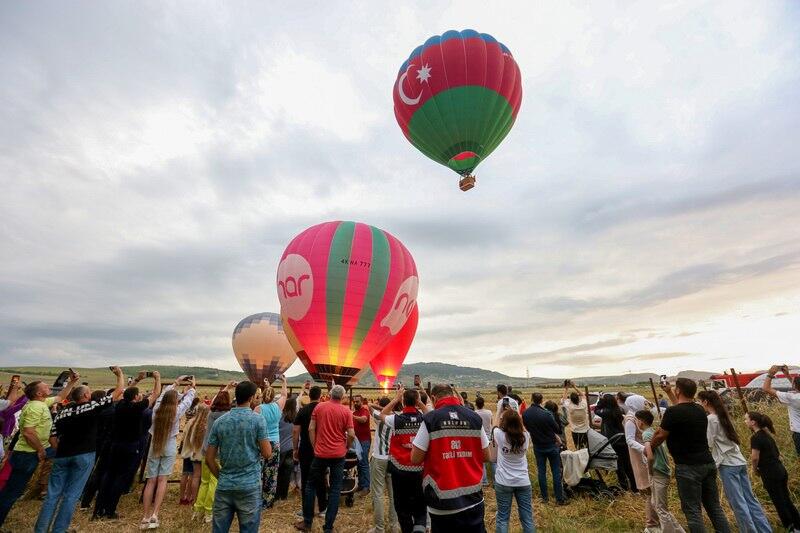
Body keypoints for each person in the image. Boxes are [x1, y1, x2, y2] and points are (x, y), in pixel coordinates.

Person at [34, 367, 124, 533]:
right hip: (84, 454)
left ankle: (40, 530)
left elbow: (52, 437)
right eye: (88, 392)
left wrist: (60, 450)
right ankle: (59, 530)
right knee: (70, 496)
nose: (90, 394)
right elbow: (118, 392)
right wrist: (119, 374)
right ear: (85, 396)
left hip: (62, 455)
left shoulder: (62, 412)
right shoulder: (91, 407)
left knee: (52, 495)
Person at [648, 378, 731, 533]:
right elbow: (682, 410)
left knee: (693, 511)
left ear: (678, 390)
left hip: (688, 467)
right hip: (707, 463)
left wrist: (649, 447)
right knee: (714, 507)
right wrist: (669, 392)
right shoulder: (699, 409)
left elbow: (660, 435)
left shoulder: (673, 412)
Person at [0, 371, 79, 527]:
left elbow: (60, 397)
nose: (48, 386)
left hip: (32, 451)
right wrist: (40, 450)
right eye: (45, 385)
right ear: (38, 392)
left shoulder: (41, 402)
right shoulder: (35, 407)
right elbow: (29, 432)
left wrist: (71, 382)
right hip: (27, 453)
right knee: (11, 492)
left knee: (13, 491)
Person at [411, 383, 490, 532]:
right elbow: (486, 455)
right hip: (474, 499)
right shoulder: (474, 418)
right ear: (453, 394)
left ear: (433, 398)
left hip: (442, 502)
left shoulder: (430, 419)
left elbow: (415, 458)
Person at [695, 391, 770, 533]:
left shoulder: (711, 419)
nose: (699, 404)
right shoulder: (724, 416)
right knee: (751, 500)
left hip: (727, 464)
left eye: (699, 401)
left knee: (738, 504)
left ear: (705, 402)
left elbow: (709, 443)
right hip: (739, 461)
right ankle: (765, 530)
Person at [94, 371, 162, 520]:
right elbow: (156, 394)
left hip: (115, 445)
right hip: (130, 447)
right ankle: (110, 510)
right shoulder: (138, 409)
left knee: (109, 475)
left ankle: (98, 509)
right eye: (138, 395)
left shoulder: (119, 405)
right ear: (136, 398)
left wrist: (137, 380)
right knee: (120, 478)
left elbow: (125, 393)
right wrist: (157, 378)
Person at [206, 381, 271, 533]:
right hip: (249, 485)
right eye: (257, 396)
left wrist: (221, 476)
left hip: (225, 485)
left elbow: (209, 458)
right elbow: (267, 453)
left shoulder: (220, 422)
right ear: (251, 398)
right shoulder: (258, 420)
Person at [295, 384, 355, 533]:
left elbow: (310, 428)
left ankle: (307, 523)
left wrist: (315, 446)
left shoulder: (319, 408)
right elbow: (352, 434)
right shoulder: (346, 411)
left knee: (310, 485)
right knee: (335, 489)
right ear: (342, 396)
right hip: (338, 455)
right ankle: (328, 527)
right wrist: (346, 447)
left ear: (329, 394)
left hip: (320, 454)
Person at [140, 377, 197, 530]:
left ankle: (145, 517)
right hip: (169, 445)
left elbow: (162, 395)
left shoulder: (156, 409)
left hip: (155, 445)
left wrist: (176, 383)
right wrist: (192, 387)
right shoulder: (177, 412)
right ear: (175, 401)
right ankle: (155, 514)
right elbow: (189, 400)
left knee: (151, 480)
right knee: (162, 480)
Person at [379, 387, 429, 533]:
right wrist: (420, 403)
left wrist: (395, 399)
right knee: (420, 504)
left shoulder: (396, 420)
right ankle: (419, 526)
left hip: (400, 471)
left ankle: (407, 529)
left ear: (403, 401)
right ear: (417, 401)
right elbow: (431, 414)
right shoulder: (424, 419)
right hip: (419, 469)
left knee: (401, 505)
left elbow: (382, 414)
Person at [747, 411, 800, 531]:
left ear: (753, 422)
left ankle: (790, 527)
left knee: (778, 501)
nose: (745, 422)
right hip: (780, 469)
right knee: (786, 498)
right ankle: (797, 523)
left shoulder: (755, 438)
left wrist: (754, 470)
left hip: (769, 472)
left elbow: (755, 457)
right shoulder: (767, 434)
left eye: (746, 419)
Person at [636, 409, 686, 533]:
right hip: (663, 471)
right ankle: (678, 530)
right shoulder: (653, 431)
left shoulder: (646, 434)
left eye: (636, 420)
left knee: (660, 508)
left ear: (641, 422)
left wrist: (650, 469)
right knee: (656, 503)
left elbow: (650, 455)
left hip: (658, 472)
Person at [193, 386, 233, 523]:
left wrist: (225, 388)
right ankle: (209, 511)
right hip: (218, 454)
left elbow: (215, 399)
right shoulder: (227, 417)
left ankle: (198, 509)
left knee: (204, 481)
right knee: (214, 482)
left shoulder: (211, 413)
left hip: (206, 450)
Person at [493, 409, 535, 533]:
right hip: (523, 481)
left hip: (504, 481)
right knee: (527, 518)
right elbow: (523, 429)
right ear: (519, 422)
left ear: (504, 422)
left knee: (503, 517)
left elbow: (495, 425)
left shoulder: (500, 435)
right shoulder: (526, 436)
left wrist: (500, 411)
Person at [522, 392, 565, 505]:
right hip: (551, 445)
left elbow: (527, 427)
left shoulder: (526, 414)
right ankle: (559, 499)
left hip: (538, 446)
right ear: (541, 401)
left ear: (531, 399)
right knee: (556, 471)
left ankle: (545, 498)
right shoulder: (546, 414)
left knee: (541, 472)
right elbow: (557, 430)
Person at [623, 395, 658, 531]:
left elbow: (653, 411)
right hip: (641, 457)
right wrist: (645, 449)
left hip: (645, 455)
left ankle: (654, 520)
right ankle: (651, 523)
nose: (644, 405)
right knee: (649, 490)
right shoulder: (631, 420)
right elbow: (629, 440)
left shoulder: (637, 416)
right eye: (642, 403)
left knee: (652, 490)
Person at [292, 385, 327, 520]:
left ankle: (307, 510)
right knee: (321, 478)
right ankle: (323, 508)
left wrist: (295, 448)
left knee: (306, 479)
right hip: (321, 449)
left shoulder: (302, 410)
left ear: (309, 396)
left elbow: (295, 431)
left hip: (305, 448)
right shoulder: (324, 410)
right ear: (320, 396)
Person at [367, 396, 400, 533]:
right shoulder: (398, 418)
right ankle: (394, 525)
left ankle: (379, 528)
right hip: (393, 459)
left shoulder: (379, 418)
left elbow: (369, 405)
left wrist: (381, 407)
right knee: (393, 495)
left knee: (378, 494)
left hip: (379, 457)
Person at [594, 393, 636, 492]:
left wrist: (600, 401)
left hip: (613, 440)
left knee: (618, 465)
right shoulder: (618, 410)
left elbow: (596, 410)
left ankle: (624, 486)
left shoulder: (606, 412)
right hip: (622, 438)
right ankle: (634, 486)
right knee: (627, 464)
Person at [257, 374, 287, 509]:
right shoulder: (278, 407)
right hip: (275, 443)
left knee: (258, 471)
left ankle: (255, 498)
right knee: (272, 472)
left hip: (261, 443)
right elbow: (284, 395)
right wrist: (284, 381)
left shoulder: (258, 409)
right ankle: (268, 500)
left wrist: (266, 386)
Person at [762, 364, 800, 455]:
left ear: (794, 385)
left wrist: (770, 374)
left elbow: (766, 388)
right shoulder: (794, 397)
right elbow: (797, 386)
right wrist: (787, 375)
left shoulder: (792, 398)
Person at [180, 402, 209, 505]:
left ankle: (183, 497)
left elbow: (183, 435)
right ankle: (193, 497)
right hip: (198, 453)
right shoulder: (205, 425)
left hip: (188, 450)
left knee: (185, 474)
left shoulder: (191, 422)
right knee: (195, 476)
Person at [276, 396, 297, 500]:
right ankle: (283, 496)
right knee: (287, 473)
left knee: (277, 472)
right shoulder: (295, 418)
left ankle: (276, 495)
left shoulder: (280, 416)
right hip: (291, 449)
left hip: (280, 448)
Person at [352, 394, 372, 494]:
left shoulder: (364, 411)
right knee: (359, 463)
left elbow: (364, 419)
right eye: (354, 401)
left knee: (364, 463)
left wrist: (351, 416)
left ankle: (366, 487)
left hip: (364, 441)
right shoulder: (355, 412)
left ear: (362, 402)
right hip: (356, 442)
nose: (356, 403)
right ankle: (361, 485)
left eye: (357, 401)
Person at [561, 381, 588, 449]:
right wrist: (574, 387)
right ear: (578, 399)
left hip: (575, 430)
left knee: (578, 447)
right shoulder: (583, 405)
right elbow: (583, 395)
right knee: (585, 447)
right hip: (585, 429)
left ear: (570, 400)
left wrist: (566, 388)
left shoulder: (570, 406)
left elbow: (563, 400)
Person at [475, 396, 494, 487]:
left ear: (476, 404)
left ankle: (484, 481)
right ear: (484, 404)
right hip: (489, 436)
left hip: (480, 438)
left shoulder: (474, 413)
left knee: (481, 460)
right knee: (492, 460)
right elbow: (491, 423)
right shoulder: (489, 412)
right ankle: (495, 481)